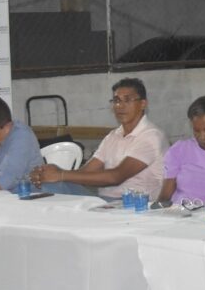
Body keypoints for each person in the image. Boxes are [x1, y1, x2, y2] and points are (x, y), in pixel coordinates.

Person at [31, 77, 169, 200]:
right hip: (105, 202)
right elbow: (85, 172)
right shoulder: (113, 136)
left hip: (135, 205)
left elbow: (116, 177)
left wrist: (61, 175)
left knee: (53, 186)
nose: (120, 106)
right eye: (116, 101)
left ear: (143, 104)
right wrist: (51, 173)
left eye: (127, 100)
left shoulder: (151, 136)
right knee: (46, 186)